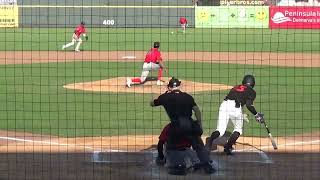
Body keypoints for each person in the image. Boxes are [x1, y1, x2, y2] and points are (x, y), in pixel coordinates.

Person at [151, 77, 216, 174]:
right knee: (198, 145)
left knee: (172, 146)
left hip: (176, 126)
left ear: (169, 87)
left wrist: (164, 95)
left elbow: (152, 103)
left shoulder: (164, 97)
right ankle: (206, 165)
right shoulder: (187, 96)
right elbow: (197, 111)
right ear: (179, 86)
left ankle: (179, 166)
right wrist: (199, 124)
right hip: (190, 124)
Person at [205, 75, 265, 155]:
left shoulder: (236, 87)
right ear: (253, 83)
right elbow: (249, 105)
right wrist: (256, 114)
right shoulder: (252, 92)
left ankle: (210, 141)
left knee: (220, 130)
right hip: (236, 108)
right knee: (238, 129)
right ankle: (228, 147)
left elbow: (237, 98)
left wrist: (242, 114)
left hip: (224, 105)